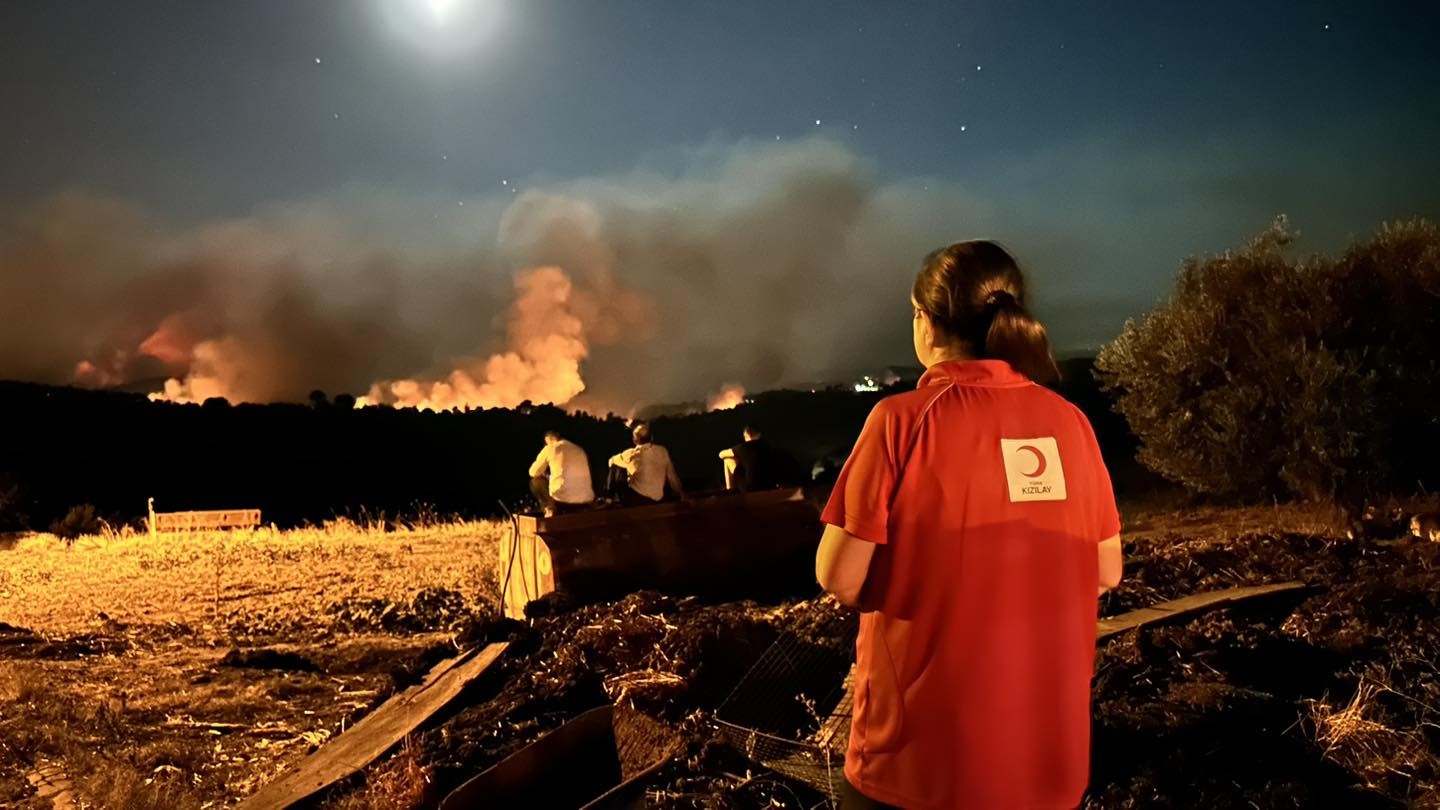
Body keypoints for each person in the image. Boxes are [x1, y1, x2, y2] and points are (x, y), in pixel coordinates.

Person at [815, 240, 1123, 810]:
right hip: (1049, 768)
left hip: (916, 768)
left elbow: (838, 575)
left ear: (927, 324)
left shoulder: (900, 421)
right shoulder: (1071, 422)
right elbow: (1106, 569)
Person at [608, 422, 685, 505]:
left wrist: (629, 471)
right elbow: (672, 475)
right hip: (657, 497)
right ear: (652, 438)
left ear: (634, 440)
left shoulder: (632, 453)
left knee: (616, 465)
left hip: (637, 498)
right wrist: (681, 493)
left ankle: (609, 497)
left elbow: (611, 461)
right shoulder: (662, 451)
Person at [527, 430, 595, 516]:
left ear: (548, 439)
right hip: (586, 500)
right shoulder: (579, 449)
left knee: (535, 482)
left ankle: (550, 509)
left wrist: (545, 475)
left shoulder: (550, 448)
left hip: (563, 500)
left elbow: (533, 472)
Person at [720, 424, 804, 492]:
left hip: (750, 488)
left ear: (747, 435)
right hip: (770, 485)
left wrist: (736, 454)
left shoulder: (744, 447)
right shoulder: (769, 446)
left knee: (727, 459)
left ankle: (729, 491)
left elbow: (721, 454)